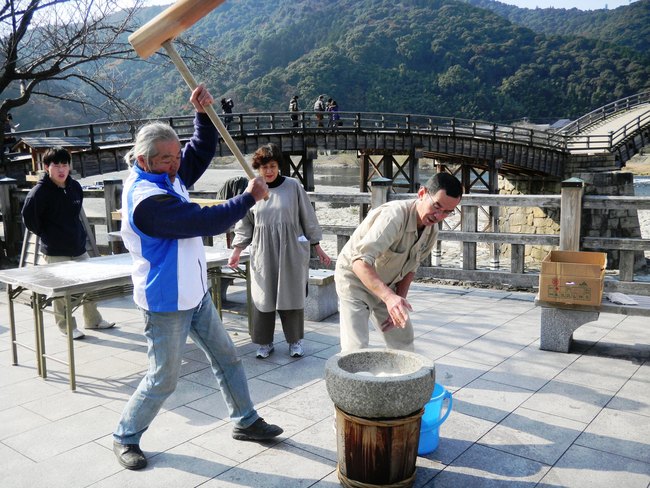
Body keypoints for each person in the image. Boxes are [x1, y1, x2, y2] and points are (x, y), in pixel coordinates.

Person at [113, 85, 283, 471]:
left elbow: (199, 151)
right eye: (167, 160)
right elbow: (202, 221)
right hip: (165, 301)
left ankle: (245, 420)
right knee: (163, 378)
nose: (176, 165)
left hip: (195, 293)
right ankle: (125, 436)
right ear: (143, 158)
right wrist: (248, 197)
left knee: (227, 358)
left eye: (175, 157)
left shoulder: (165, 174)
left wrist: (202, 115)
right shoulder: (145, 198)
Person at [335, 173, 463, 352]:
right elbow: (359, 262)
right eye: (436, 206)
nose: (439, 216)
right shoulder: (394, 216)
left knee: (403, 337)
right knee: (356, 348)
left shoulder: (431, 230)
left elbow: (410, 268)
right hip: (355, 279)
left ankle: (404, 379)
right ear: (422, 193)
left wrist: (398, 301)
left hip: (387, 283)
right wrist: (389, 297)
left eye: (447, 212)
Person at [228, 143, 331, 359]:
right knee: (263, 297)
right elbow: (244, 224)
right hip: (263, 250)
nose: (269, 171)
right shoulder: (252, 190)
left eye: (273, 166)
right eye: (264, 167)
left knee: (290, 294)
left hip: (290, 249)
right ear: (258, 168)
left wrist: (317, 247)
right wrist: (237, 250)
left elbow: (308, 218)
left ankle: (295, 341)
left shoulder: (293, 186)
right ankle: (265, 343)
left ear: (279, 166)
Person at [21, 147, 115, 339]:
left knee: (90, 284)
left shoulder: (74, 187)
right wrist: (46, 233)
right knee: (62, 292)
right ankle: (66, 326)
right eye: (56, 165)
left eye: (65, 164)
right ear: (47, 167)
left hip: (78, 246)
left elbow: (76, 213)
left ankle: (93, 320)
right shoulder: (38, 193)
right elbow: (29, 219)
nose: (61, 169)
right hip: (55, 250)